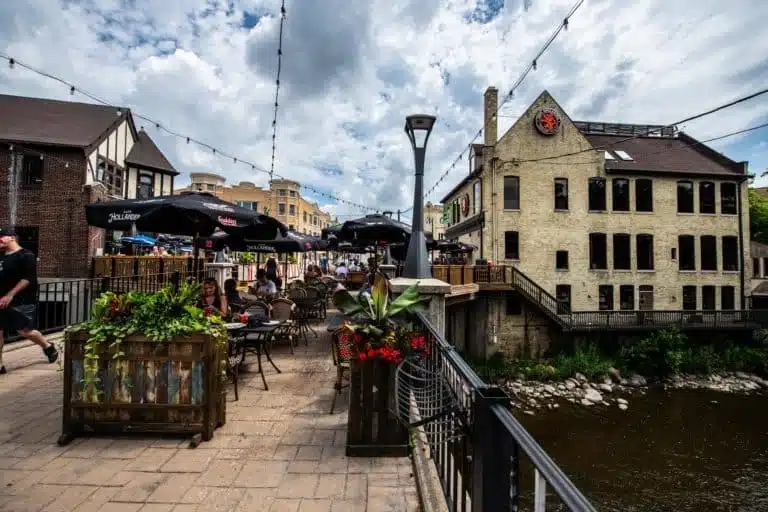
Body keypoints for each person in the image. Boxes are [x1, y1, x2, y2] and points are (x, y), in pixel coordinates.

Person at [0, 228, 58, 374]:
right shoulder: (1, 256)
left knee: (25, 331)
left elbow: (28, 279)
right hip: (1, 300)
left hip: (21, 300)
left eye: (1, 237)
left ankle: (47, 346)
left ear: (12, 238)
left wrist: (10, 294)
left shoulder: (26, 255)